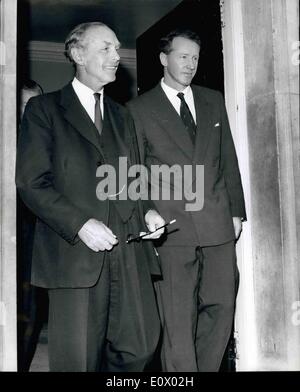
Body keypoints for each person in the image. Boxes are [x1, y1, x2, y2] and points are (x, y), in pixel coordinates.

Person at [16, 22, 165, 372]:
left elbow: (135, 178)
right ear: (78, 54)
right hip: (75, 253)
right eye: (106, 48)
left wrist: (148, 213)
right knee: (77, 360)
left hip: (128, 250)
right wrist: (80, 224)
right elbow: (31, 183)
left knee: (141, 345)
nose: (117, 56)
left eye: (117, 48)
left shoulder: (122, 115)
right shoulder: (44, 110)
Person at [127, 28, 247, 372]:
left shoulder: (212, 99)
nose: (190, 64)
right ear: (164, 59)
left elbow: (228, 159)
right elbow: (134, 170)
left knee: (222, 306)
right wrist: (146, 211)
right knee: (177, 318)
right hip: (172, 227)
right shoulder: (138, 109)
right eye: (183, 56)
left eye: (195, 57)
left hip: (217, 224)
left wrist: (236, 212)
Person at [17, 80, 49, 372]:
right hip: (11, 238)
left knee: (30, 312)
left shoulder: (47, 142)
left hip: (37, 243)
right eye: (27, 105)